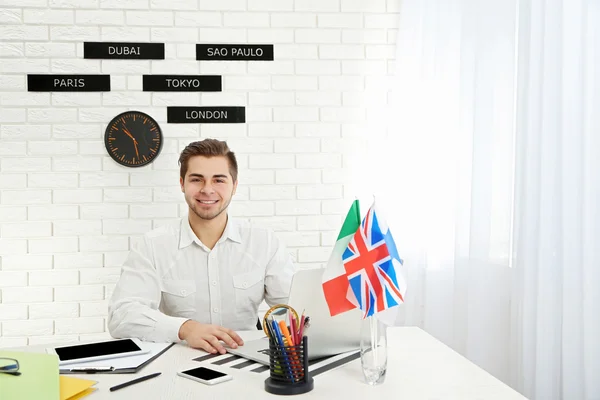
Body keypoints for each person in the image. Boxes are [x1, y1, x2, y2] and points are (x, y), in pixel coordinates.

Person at [108, 139, 296, 355]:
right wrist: (185, 328)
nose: (207, 190)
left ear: (234, 186)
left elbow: (296, 308)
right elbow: (121, 315)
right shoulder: (152, 246)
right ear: (182, 184)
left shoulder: (264, 242)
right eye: (197, 179)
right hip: (179, 363)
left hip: (248, 361)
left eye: (219, 180)